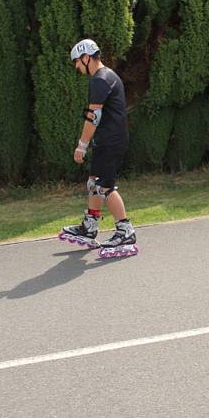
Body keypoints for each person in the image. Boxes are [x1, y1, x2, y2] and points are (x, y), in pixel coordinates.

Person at [59, 39, 138, 259]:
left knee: (104, 187)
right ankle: (90, 225)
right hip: (109, 139)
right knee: (94, 182)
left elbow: (93, 117)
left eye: (77, 62)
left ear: (86, 57)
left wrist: (81, 145)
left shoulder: (100, 80)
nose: (76, 67)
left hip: (110, 141)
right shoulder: (108, 76)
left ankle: (125, 230)